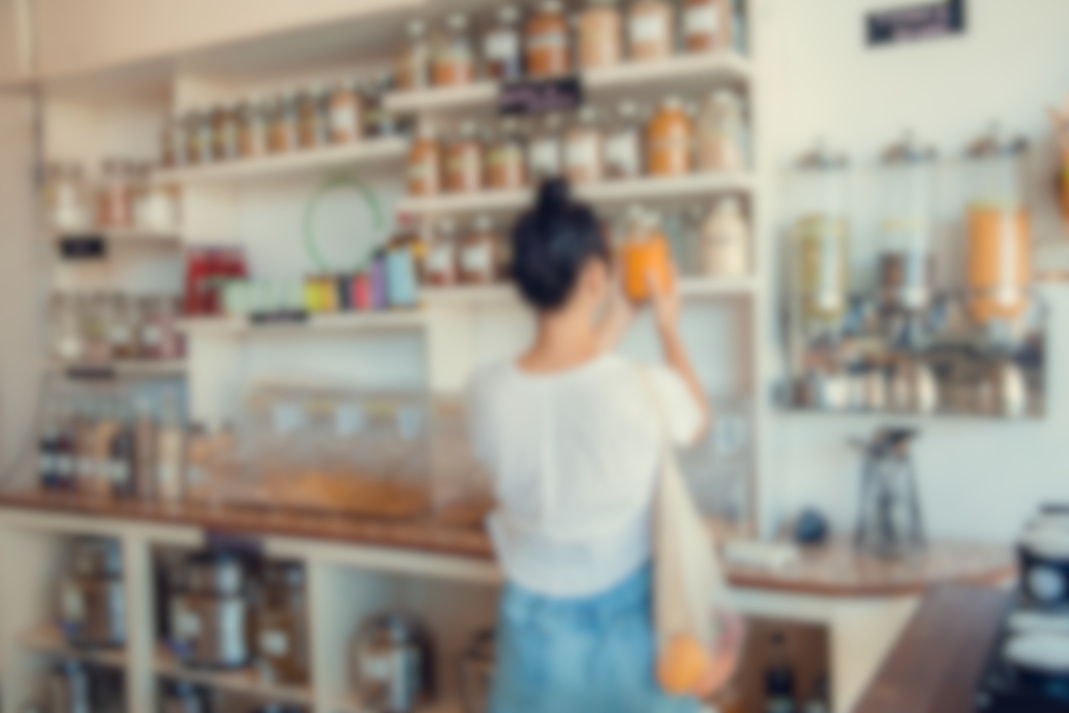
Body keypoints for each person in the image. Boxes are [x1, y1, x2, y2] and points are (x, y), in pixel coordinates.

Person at [467, 179, 723, 713]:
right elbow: (698, 421)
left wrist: (619, 315)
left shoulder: (486, 392)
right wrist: (668, 328)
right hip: (628, 629)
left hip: (532, 632)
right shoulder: (640, 388)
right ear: (594, 277)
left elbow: (565, 381)